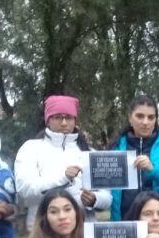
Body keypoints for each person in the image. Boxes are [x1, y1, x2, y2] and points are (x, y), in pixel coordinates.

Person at [15, 95, 111, 230]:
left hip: (83, 231)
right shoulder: (31, 148)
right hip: (43, 230)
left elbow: (107, 196)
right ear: (48, 120)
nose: (64, 123)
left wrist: (94, 199)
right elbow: (24, 189)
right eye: (58, 117)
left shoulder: (90, 152)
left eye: (69, 117)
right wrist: (63, 178)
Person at [110, 95, 159, 228]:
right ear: (130, 117)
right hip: (125, 226)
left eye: (151, 117)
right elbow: (107, 190)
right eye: (140, 116)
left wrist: (153, 169)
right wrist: (94, 197)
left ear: (156, 120)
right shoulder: (116, 148)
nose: (145, 122)